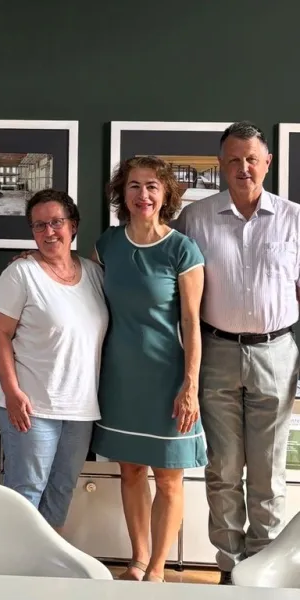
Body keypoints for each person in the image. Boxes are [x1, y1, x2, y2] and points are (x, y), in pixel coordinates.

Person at [173, 121, 300, 585]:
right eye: (233, 159)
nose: (243, 167)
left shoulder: (294, 218)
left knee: (268, 471)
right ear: (222, 165)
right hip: (217, 353)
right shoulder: (196, 219)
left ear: (267, 163)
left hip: (277, 351)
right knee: (223, 469)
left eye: (251, 158)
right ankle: (229, 568)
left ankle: (261, 568)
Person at [91, 155, 206, 582]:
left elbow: (193, 323)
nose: (144, 195)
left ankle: (158, 567)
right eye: (135, 186)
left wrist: (190, 385)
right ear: (123, 193)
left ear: (166, 194)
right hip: (120, 377)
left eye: (152, 186)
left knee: (169, 479)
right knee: (131, 471)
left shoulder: (182, 249)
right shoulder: (106, 246)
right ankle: (138, 560)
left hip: (168, 379)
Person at [0, 189, 108, 533]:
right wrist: (12, 392)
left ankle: (44, 569)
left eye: (57, 222)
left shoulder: (94, 274)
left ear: (73, 226)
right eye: (39, 226)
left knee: (60, 493)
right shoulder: (21, 274)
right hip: (30, 405)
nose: (49, 232)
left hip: (80, 409)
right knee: (25, 494)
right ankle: (17, 574)